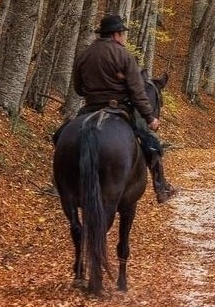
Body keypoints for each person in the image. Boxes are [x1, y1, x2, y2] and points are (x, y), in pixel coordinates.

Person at [71, 13, 177, 203]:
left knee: (62, 135)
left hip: (90, 108)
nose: (124, 38)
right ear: (116, 34)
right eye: (123, 34)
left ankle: (59, 181)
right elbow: (138, 92)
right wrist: (150, 117)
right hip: (119, 108)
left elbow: (78, 89)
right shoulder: (124, 55)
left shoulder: (84, 55)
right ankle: (161, 187)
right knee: (151, 144)